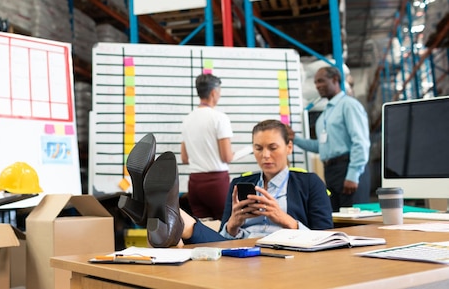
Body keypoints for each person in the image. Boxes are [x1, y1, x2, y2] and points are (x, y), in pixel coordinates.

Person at [120, 119, 333, 247]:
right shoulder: (241, 183)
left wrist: (284, 219)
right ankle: (149, 206)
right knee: (181, 225)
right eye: (258, 148)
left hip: (283, 249)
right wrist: (233, 223)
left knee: (177, 230)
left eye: (272, 147)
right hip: (237, 247)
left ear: (289, 147)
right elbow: (222, 234)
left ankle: (144, 208)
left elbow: (327, 238)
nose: (265, 155)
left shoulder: (309, 182)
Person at [294, 66, 371, 212]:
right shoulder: (324, 115)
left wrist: (353, 174)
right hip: (331, 172)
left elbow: (360, 141)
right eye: (316, 82)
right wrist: (295, 139)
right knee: (336, 219)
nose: (317, 86)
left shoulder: (349, 105)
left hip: (348, 168)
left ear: (335, 79)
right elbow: (321, 146)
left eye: (321, 81)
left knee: (356, 222)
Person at [180, 73, 233, 220]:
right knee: (226, 226)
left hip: (195, 184)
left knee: (204, 230)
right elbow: (226, 157)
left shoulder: (187, 119)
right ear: (214, 92)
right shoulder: (219, 118)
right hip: (216, 183)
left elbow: (184, 158)